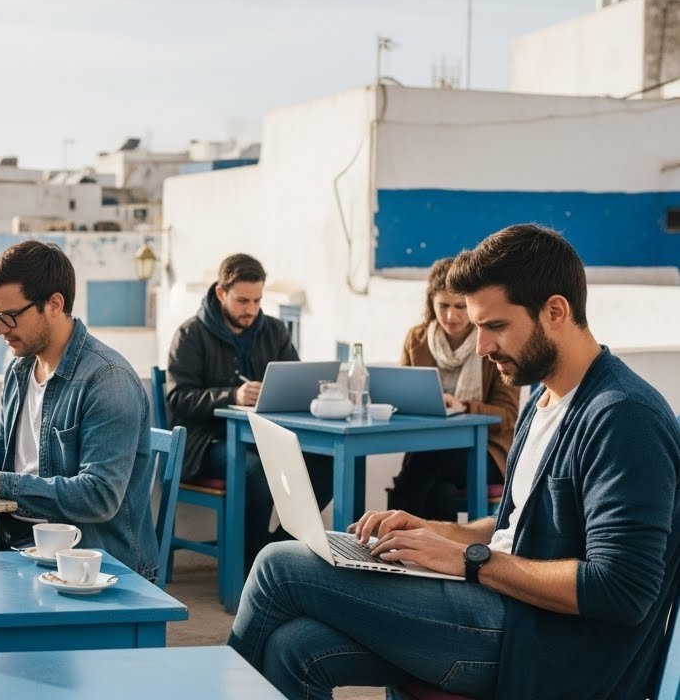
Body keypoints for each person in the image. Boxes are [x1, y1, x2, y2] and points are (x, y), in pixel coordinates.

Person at [228, 224, 680, 699]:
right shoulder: (546, 400)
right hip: (505, 612)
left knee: (278, 565)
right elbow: (514, 528)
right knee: (293, 646)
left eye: (495, 326)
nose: (482, 347)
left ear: (555, 311)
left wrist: (468, 560)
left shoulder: (624, 416)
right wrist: (434, 531)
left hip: (549, 647)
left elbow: (622, 590)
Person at [0, 240, 159, 580]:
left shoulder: (108, 380)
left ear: (53, 304)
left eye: (9, 316)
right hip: (17, 539)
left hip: (89, 562)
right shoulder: (21, 370)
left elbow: (99, 496)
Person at [165, 252, 332, 566]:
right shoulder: (190, 335)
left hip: (267, 437)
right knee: (255, 470)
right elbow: (178, 397)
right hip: (205, 444)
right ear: (220, 293)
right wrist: (233, 395)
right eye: (242, 301)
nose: (251, 310)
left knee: (327, 463)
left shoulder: (275, 330)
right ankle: (251, 567)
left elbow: (294, 381)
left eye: (257, 301)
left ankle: (274, 550)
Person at [386, 257, 519, 520]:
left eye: (460, 306)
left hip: (486, 452)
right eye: (443, 306)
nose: (451, 316)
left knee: (426, 465)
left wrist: (464, 408)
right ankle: (434, 556)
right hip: (427, 447)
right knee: (439, 491)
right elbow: (401, 396)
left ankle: (388, 538)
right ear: (431, 303)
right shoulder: (417, 339)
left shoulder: (494, 342)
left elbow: (508, 415)